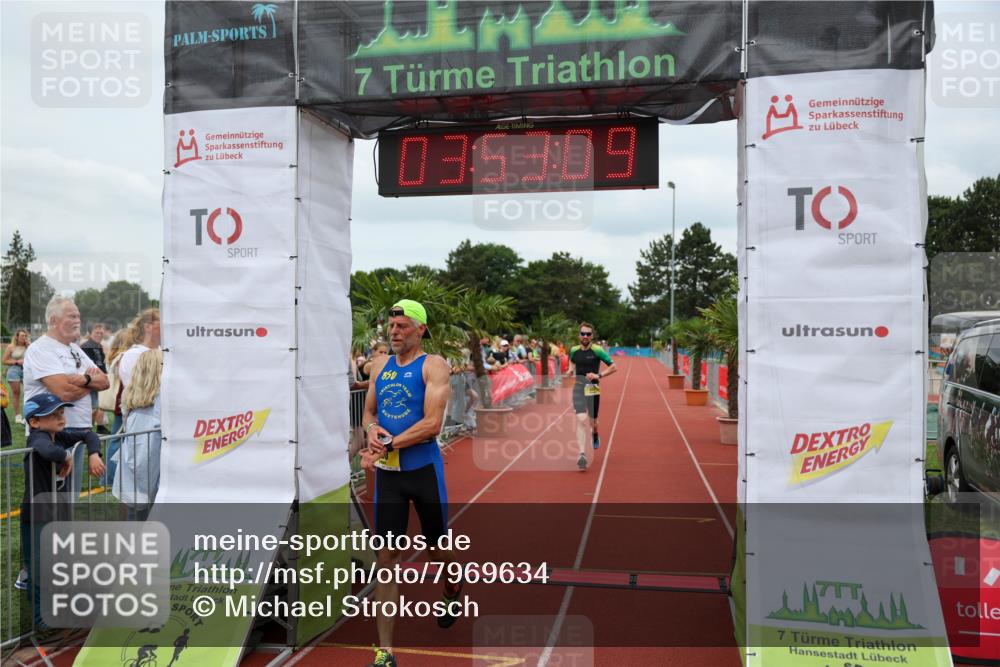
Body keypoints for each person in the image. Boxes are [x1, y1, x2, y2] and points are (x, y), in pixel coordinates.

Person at [360, 300, 460, 667]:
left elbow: (432, 424)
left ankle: (453, 586)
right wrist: (372, 431)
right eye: (392, 325)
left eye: (403, 325)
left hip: (423, 472)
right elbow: (369, 412)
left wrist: (386, 444)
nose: (394, 331)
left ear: (420, 329)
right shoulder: (379, 366)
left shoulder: (434, 366)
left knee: (437, 548)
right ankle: (385, 651)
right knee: (386, 559)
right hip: (389, 478)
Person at [19, 392, 104, 619]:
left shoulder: (60, 436)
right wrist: (66, 457)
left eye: (61, 412)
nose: (61, 417)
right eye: (53, 414)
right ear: (34, 422)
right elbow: (48, 451)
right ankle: (39, 620)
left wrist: (94, 454)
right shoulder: (38, 438)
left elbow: (90, 435)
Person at [23, 296, 109, 497]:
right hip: (50, 435)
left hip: (78, 431)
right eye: (72, 316)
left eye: (79, 315)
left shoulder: (75, 348)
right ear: (53, 321)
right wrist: (89, 382)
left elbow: (105, 381)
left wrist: (81, 380)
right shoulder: (40, 349)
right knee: (50, 501)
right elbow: (64, 393)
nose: (78, 320)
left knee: (70, 500)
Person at [113, 349, 163, 520]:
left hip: (135, 471)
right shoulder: (156, 404)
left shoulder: (133, 397)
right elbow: (145, 459)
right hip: (146, 475)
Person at [568, 323, 617, 471]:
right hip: (578, 388)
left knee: (593, 422)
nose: (585, 336)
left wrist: (598, 375)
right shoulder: (574, 350)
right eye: (583, 334)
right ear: (579, 335)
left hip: (593, 389)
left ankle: (595, 433)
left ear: (592, 336)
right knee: (581, 420)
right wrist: (570, 370)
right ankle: (582, 454)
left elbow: (614, 366)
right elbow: (572, 361)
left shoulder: (598, 350)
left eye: (588, 334)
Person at [119, 309, 160, 389]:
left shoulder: (164, 352)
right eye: (162, 323)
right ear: (148, 327)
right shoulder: (133, 355)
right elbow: (136, 389)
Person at [80, 323, 108, 433]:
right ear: (90, 333)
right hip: (90, 381)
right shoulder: (86, 346)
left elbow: (101, 363)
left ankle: (90, 430)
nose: (99, 335)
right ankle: (87, 430)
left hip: (98, 381)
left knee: (95, 408)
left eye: (101, 333)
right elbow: (88, 366)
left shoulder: (99, 346)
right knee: (91, 409)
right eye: (97, 332)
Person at [3, 330, 30, 424]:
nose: (24, 337)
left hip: (27, 370)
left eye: (25, 336)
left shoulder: (29, 346)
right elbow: (4, 360)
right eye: (22, 336)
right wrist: (17, 362)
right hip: (14, 370)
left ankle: (28, 415)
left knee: (28, 391)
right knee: (16, 393)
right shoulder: (11, 347)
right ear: (17, 337)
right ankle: (18, 416)